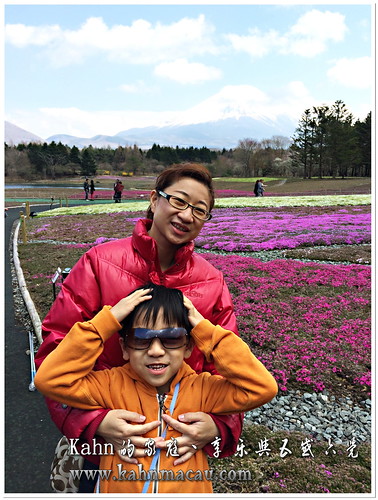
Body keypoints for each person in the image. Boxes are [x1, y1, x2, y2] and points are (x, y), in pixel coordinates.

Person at [35, 163, 244, 491]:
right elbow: (54, 352)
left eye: (199, 210)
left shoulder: (211, 282)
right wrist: (95, 422)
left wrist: (218, 426)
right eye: (178, 201)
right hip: (107, 451)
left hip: (179, 458)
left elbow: (230, 367)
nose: (186, 215)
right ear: (153, 199)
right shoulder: (99, 264)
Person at [35, 284, 278, 493]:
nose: (155, 351)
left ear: (188, 346)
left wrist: (205, 330)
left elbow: (262, 387)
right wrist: (106, 321)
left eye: (171, 337)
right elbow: (49, 379)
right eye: (140, 339)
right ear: (124, 348)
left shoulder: (203, 389)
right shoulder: (109, 385)